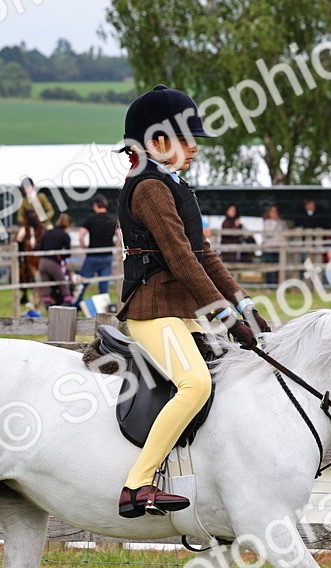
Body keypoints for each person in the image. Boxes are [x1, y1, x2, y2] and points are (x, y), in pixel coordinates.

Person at [114, 84, 269, 518]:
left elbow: (204, 254)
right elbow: (181, 260)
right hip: (152, 312)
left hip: (180, 312)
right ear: (158, 142)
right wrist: (223, 314)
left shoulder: (172, 184)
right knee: (195, 384)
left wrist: (245, 306)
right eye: (187, 139)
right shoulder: (148, 188)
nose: (196, 148)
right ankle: (138, 484)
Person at [76, 194, 118, 302]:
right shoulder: (113, 218)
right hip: (107, 256)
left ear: (95, 205)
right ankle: (103, 308)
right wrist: (114, 245)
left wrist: (84, 247)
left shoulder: (90, 218)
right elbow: (120, 236)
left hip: (92, 256)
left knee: (82, 282)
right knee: (104, 285)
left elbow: (81, 235)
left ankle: (75, 305)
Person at [37, 213, 75, 307]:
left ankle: (47, 302)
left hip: (42, 262)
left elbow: (40, 247)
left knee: (46, 284)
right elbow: (68, 253)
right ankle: (68, 301)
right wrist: (61, 256)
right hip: (53, 262)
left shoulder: (47, 232)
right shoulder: (65, 235)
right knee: (63, 282)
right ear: (68, 224)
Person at [261, 204, 285, 285]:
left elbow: (285, 232)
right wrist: (274, 223)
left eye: (275, 212)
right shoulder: (267, 222)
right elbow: (269, 233)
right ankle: (269, 285)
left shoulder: (281, 222)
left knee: (278, 267)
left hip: (278, 248)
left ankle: (276, 284)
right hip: (269, 248)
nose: (274, 214)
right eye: (272, 212)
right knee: (269, 267)